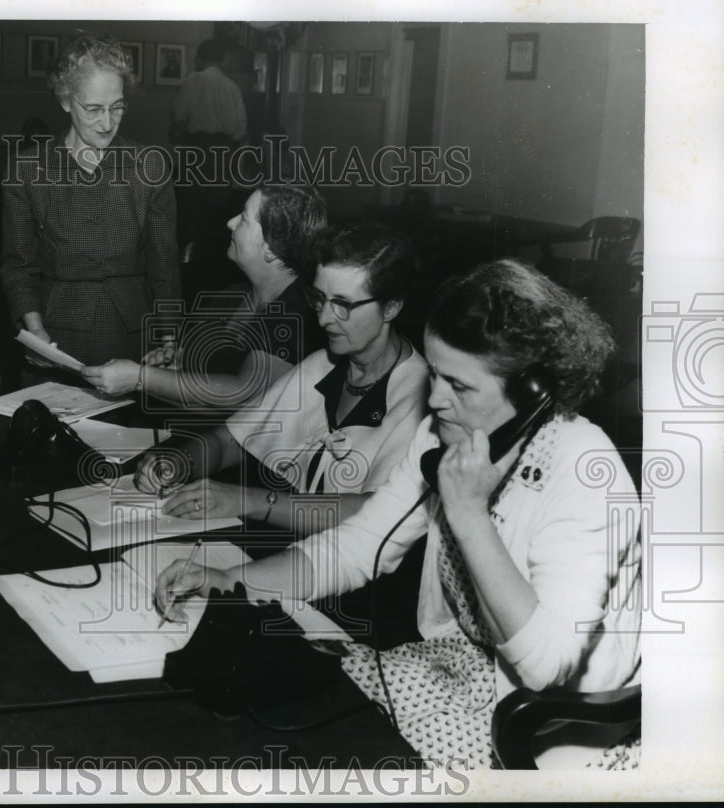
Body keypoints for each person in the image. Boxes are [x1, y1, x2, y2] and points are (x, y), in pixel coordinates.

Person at [154, 259, 642, 769]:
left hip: (553, 726)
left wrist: (468, 513)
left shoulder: (583, 468)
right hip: (459, 668)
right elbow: (358, 545)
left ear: (531, 392)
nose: (435, 399)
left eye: (460, 385)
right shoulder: (446, 434)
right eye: (434, 374)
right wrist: (232, 581)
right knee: (267, 722)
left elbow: (548, 667)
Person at [132, 224, 429, 537]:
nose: (324, 318)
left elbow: (376, 511)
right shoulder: (322, 365)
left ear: (392, 307)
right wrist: (180, 462)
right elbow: (228, 440)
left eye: (343, 304)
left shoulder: (421, 395)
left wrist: (249, 500)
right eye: (319, 298)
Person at [1, 33, 179, 367]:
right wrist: (35, 330)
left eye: (117, 107)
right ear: (66, 100)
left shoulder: (149, 166)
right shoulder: (26, 170)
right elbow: (19, 266)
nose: (107, 123)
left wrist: (168, 340)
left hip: (133, 338)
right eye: (94, 109)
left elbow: (164, 264)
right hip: (55, 337)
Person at [81, 184, 327, 413]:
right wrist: (174, 367)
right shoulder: (231, 296)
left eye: (244, 219)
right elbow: (201, 378)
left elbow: (244, 393)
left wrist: (140, 378)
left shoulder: (302, 312)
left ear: (272, 248)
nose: (231, 223)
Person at [170, 38, 248, 299]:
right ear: (222, 60)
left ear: (201, 58)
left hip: (195, 151)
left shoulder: (193, 80)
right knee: (217, 214)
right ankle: (213, 271)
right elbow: (240, 129)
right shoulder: (231, 87)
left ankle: (185, 272)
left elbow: (179, 118)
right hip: (221, 154)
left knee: (189, 211)